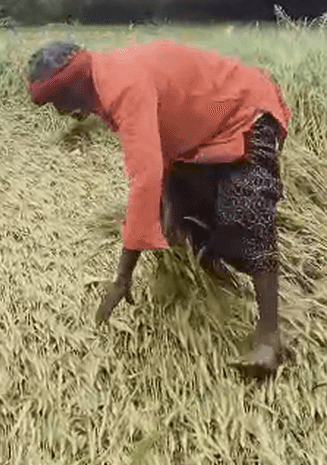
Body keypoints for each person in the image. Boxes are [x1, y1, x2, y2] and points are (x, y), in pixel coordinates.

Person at [26, 38, 292, 377]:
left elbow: (144, 181)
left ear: (75, 86)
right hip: (200, 124)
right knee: (184, 221)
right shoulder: (103, 83)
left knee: (245, 216)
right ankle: (218, 280)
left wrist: (122, 277)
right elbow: (160, 140)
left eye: (57, 101)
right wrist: (171, 204)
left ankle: (270, 335)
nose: (59, 112)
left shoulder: (122, 86)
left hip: (244, 109)